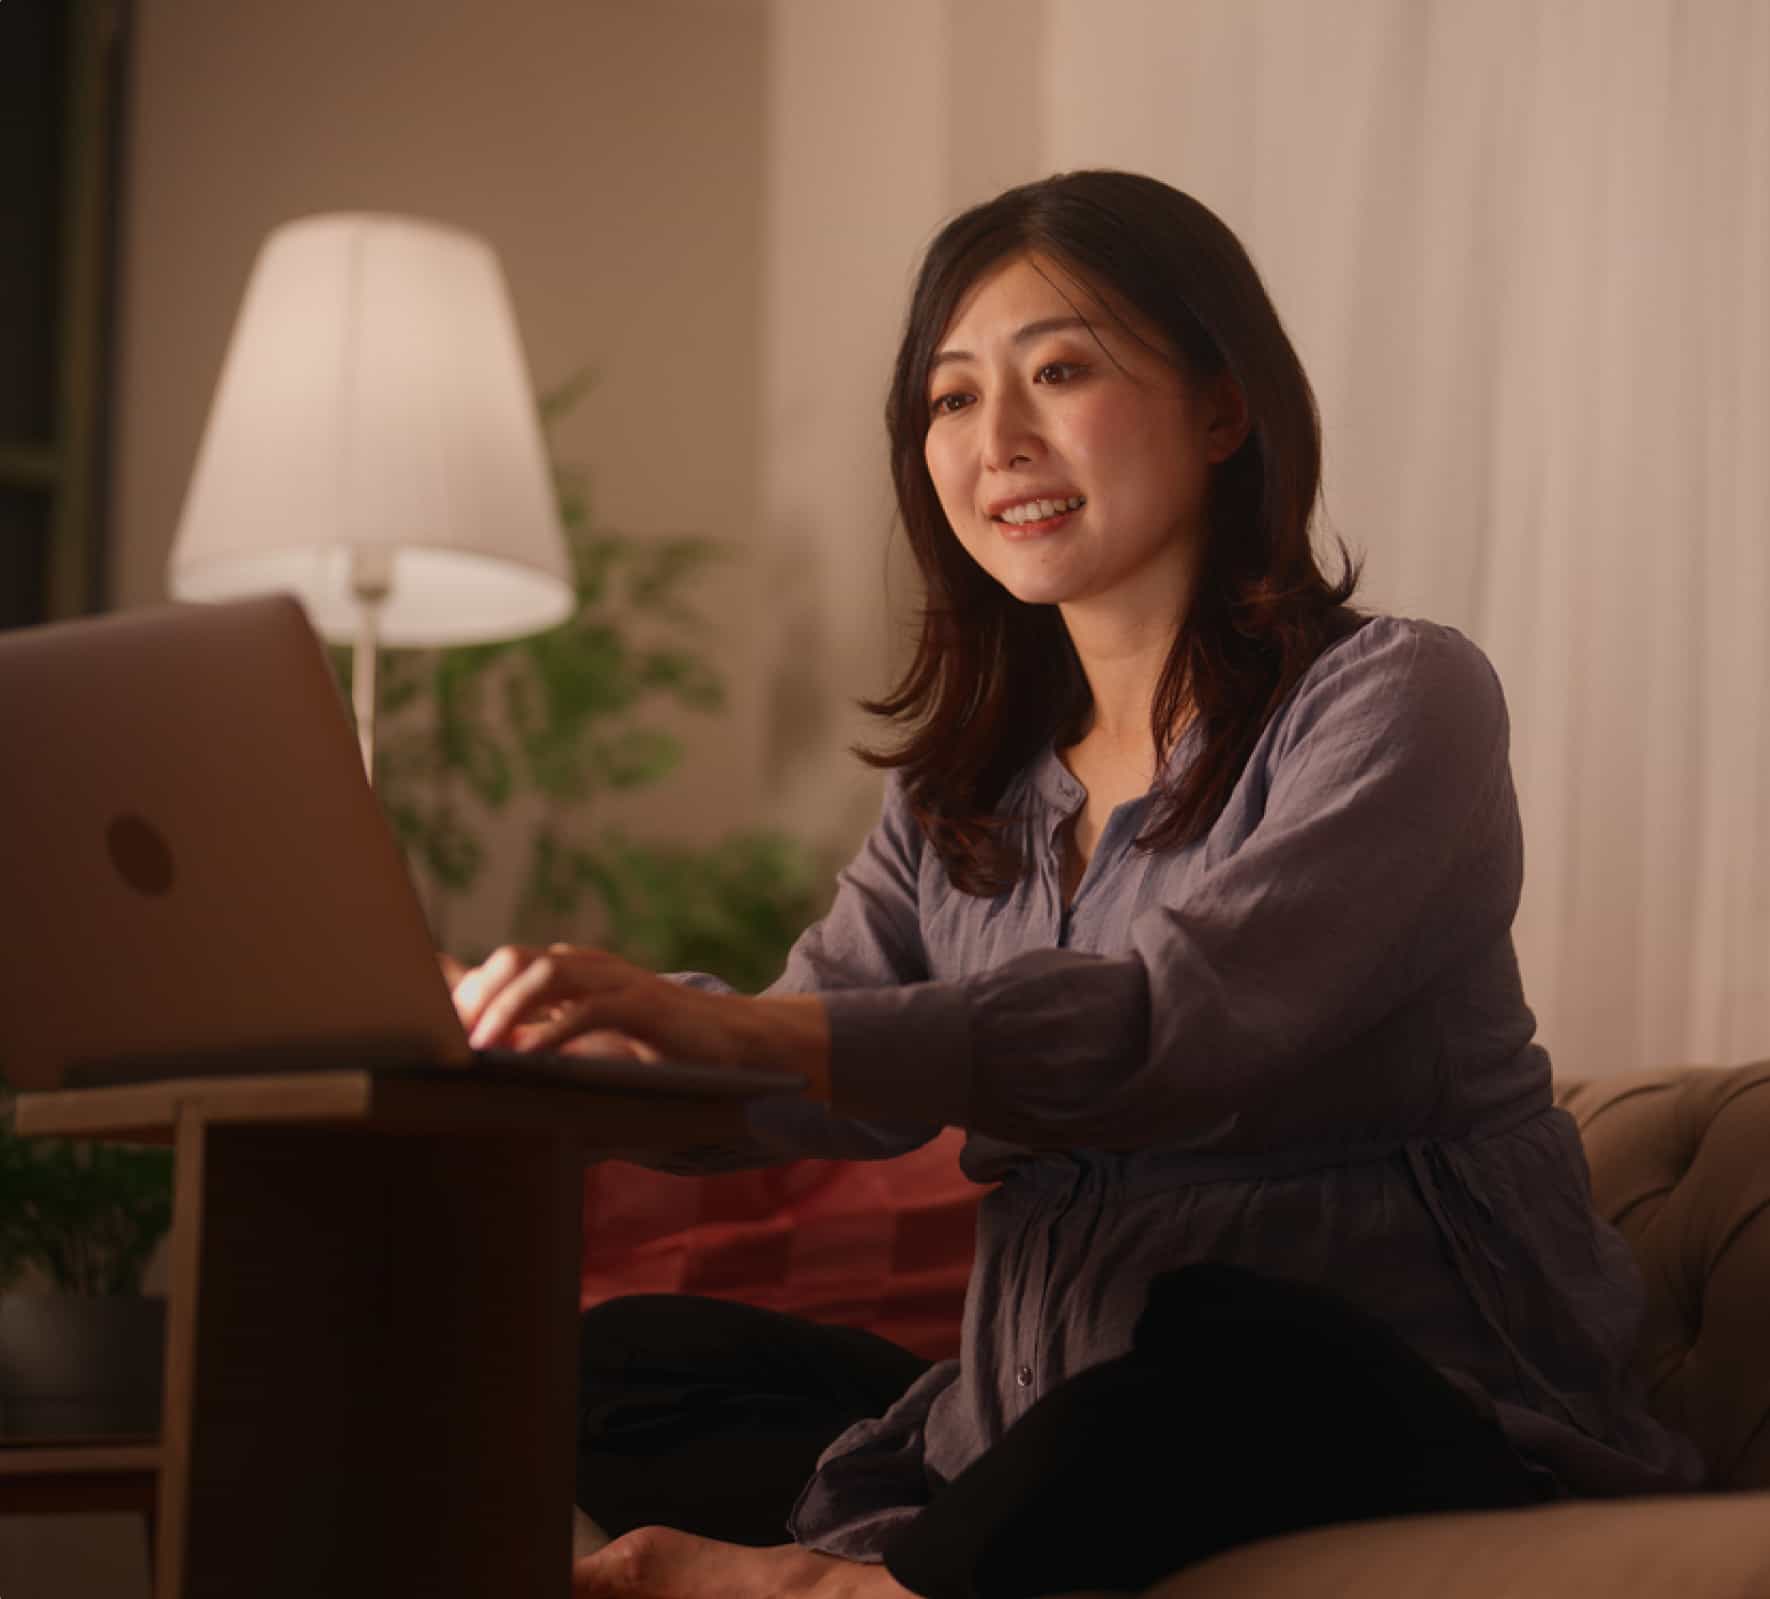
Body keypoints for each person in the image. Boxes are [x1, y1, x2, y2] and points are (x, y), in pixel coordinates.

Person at [448, 170, 1703, 1599]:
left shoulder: (1397, 698)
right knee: (603, 1369)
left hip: (1382, 1395)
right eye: (950, 398)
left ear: (1224, 410)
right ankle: (939, 1545)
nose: (1001, 441)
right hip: (1047, 1402)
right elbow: (812, 1062)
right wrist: (578, 1049)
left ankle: (826, 1585)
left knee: (1214, 1349)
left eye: (1058, 371)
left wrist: (743, 1031)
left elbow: (1178, 1028)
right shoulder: (960, 794)